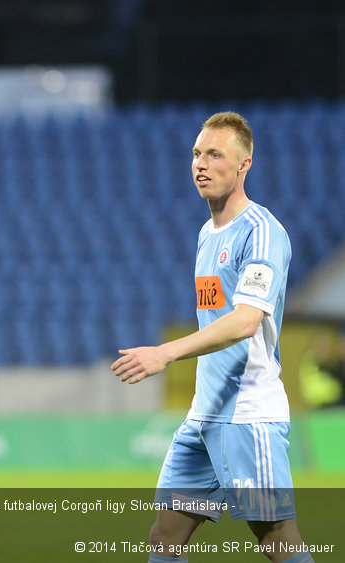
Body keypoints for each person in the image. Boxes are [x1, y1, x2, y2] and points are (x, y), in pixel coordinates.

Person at [111, 112, 313, 563]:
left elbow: (244, 321)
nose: (201, 164)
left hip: (247, 417)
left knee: (280, 545)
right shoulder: (207, 233)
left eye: (215, 155)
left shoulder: (263, 233)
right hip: (203, 419)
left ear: (244, 165)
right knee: (166, 535)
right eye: (197, 154)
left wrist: (165, 353)